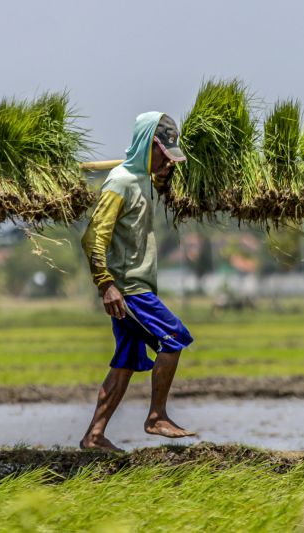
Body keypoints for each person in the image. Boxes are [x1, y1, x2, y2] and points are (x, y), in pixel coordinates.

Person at [79, 112, 196, 451]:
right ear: (148, 145)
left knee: (126, 362)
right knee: (174, 338)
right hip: (129, 289)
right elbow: (92, 238)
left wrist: (163, 174)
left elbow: (151, 187)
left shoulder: (142, 178)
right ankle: (156, 416)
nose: (166, 160)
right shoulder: (119, 182)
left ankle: (94, 436)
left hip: (134, 285)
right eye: (162, 153)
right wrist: (106, 285)